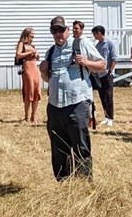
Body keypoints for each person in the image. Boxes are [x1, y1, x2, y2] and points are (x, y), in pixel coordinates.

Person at [39, 16, 105, 181]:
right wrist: (42, 71)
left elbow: (102, 65)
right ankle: (63, 182)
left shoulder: (80, 44)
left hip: (77, 102)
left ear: (68, 30)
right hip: (55, 105)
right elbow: (48, 79)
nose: (58, 34)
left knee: (80, 143)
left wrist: (86, 62)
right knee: (58, 145)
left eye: (61, 30)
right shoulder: (50, 52)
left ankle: (84, 181)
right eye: (55, 30)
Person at [91, 25, 118, 126]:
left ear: (99, 33)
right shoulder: (97, 46)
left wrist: (110, 70)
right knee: (102, 95)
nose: (94, 36)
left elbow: (114, 58)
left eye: (95, 34)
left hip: (107, 73)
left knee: (109, 96)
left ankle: (111, 117)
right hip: (99, 74)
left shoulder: (110, 43)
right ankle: (106, 116)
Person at [15, 27, 42, 124]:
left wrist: (37, 54)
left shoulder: (33, 45)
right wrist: (30, 52)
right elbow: (18, 55)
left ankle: (33, 116)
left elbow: (37, 58)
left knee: (36, 90)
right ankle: (26, 117)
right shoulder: (22, 44)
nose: (33, 35)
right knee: (29, 90)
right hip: (27, 67)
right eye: (32, 33)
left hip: (35, 67)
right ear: (27, 34)